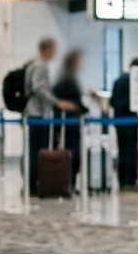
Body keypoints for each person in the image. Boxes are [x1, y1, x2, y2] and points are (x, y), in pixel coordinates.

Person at [24, 38, 79, 194]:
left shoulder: (34, 64)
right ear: (47, 49)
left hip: (34, 113)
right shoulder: (40, 65)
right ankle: (32, 184)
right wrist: (56, 103)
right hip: (37, 113)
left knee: (33, 150)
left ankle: (32, 183)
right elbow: (38, 88)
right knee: (36, 151)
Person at [52, 49, 90, 185]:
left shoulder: (66, 77)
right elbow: (72, 102)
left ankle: (69, 181)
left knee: (71, 152)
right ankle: (69, 182)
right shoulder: (67, 80)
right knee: (71, 153)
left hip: (69, 124)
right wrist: (83, 109)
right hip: (69, 125)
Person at [110, 57, 138, 189]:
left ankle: (122, 181)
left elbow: (112, 101)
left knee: (122, 149)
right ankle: (130, 181)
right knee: (131, 151)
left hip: (119, 121)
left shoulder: (118, 80)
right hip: (131, 121)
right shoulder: (134, 81)